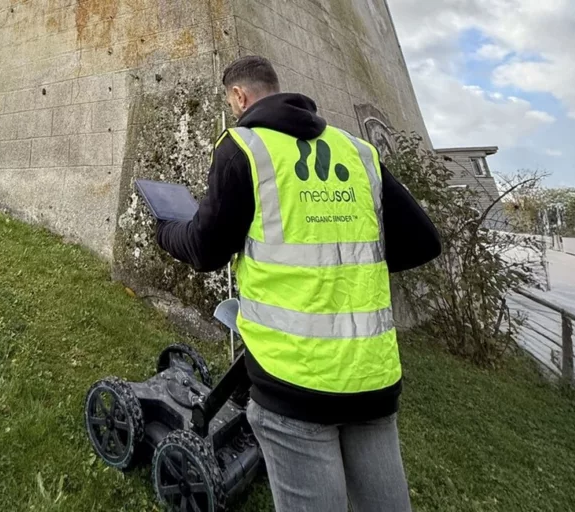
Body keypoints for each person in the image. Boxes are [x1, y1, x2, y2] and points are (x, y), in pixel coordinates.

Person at [156, 55, 441, 512]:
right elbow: (423, 242)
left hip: (293, 379)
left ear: (239, 96)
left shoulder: (244, 147)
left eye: (232, 102)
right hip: (371, 377)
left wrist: (164, 226)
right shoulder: (356, 150)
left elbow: (205, 251)